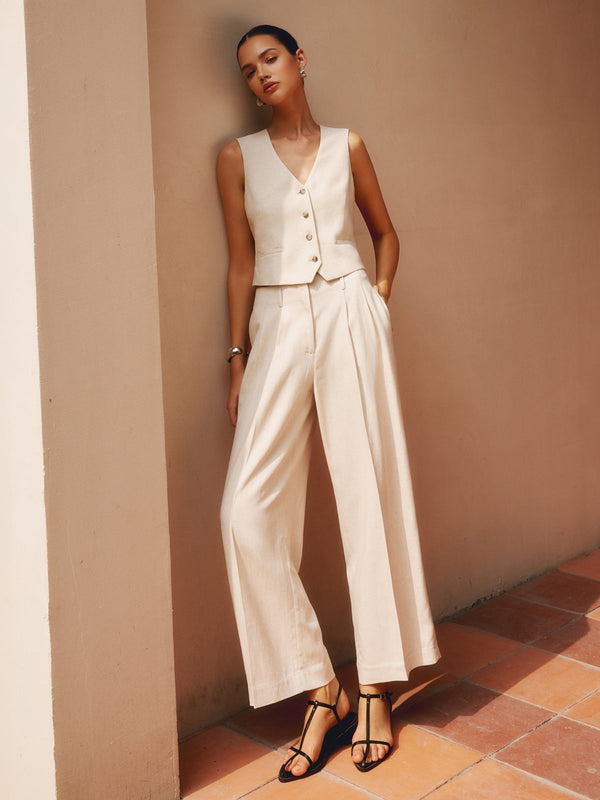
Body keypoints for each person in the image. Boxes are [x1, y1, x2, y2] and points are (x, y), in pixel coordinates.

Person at [218, 24, 440, 782]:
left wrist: (377, 298)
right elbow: (240, 264)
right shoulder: (236, 157)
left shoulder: (349, 146)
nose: (261, 74)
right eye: (247, 69)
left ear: (300, 60)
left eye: (270, 58)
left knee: (368, 497)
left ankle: (376, 685)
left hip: (350, 313)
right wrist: (238, 359)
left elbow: (385, 232)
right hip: (275, 322)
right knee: (244, 515)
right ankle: (322, 687)